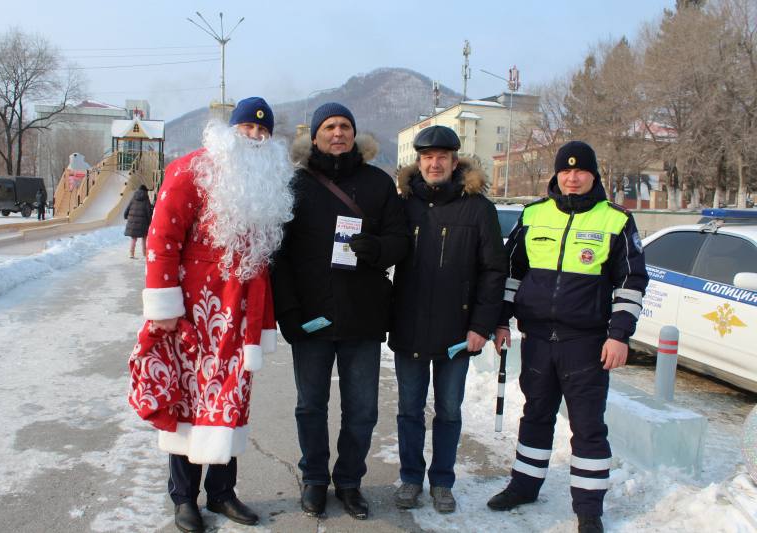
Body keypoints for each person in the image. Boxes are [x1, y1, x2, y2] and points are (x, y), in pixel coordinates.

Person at [130, 97, 294, 532]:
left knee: (232, 400)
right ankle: (184, 497)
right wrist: (164, 307)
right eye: (248, 129)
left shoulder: (268, 182)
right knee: (188, 399)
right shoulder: (190, 170)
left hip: (240, 315)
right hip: (193, 311)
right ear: (230, 131)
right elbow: (162, 236)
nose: (255, 137)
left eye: (263, 132)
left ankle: (222, 493)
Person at [487, 141, 648, 533]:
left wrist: (620, 336)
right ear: (556, 175)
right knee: (536, 415)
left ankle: (589, 508)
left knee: (588, 425)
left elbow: (632, 282)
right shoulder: (533, 215)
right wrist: (503, 321)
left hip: (587, 343)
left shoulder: (615, 221)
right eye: (565, 171)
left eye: (580, 171)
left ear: (593, 175)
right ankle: (524, 485)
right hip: (538, 338)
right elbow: (511, 274)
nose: (572, 177)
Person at [271, 102, 408, 520]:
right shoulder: (294, 186)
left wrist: (379, 249)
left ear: (354, 134)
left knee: (362, 409)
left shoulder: (377, 183)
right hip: (311, 317)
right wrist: (288, 314)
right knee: (310, 405)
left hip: (362, 316)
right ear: (314, 136)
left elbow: (401, 239)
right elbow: (279, 255)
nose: (337, 133)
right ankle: (314, 479)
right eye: (329, 126)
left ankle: (349, 481)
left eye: (345, 126)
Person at [388, 125, 507, 513]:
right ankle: (410, 478)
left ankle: (442, 481)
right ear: (418, 162)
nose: (434, 163)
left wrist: (481, 326)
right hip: (409, 326)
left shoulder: (479, 209)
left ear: (455, 162)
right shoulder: (403, 206)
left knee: (450, 410)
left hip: (457, 332)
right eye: (427, 157)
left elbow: (493, 271)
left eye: (442, 157)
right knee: (409, 408)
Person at [123, 184, 152, 258]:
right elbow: (148, 211)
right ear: (145, 191)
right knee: (144, 238)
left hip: (133, 222)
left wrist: (125, 215)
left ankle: (131, 254)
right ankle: (144, 253)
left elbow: (128, 207)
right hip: (143, 223)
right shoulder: (146, 198)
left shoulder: (134, 197)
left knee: (134, 238)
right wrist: (150, 221)